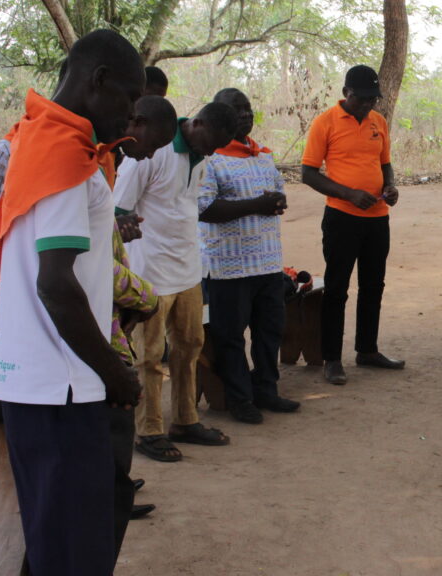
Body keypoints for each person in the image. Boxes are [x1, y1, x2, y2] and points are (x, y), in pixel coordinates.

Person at [0, 29, 144, 576]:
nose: (130, 116)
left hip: (37, 383)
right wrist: (113, 371)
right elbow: (55, 283)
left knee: (54, 544)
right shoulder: (66, 160)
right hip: (62, 388)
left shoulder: (35, 137)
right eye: (129, 97)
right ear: (98, 81)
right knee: (76, 553)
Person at [114, 102, 237, 461]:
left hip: (187, 268)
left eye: (217, 147)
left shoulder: (201, 154)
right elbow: (119, 210)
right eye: (209, 142)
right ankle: (148, 430)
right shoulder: (152, 151)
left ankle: (185, 419)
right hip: (149, 272)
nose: (211, 152)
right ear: (196, 123)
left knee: (189, 347)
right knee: (149, 356)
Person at [106, 94, 179, 553]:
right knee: (115, 414)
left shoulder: (103, 161)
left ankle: (117, 488)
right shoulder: (86, 166)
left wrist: (119, 230)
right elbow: (88, 265)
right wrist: (145, 296)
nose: (153, 154)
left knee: (112, 425)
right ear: (136, 120)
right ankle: (112, 495)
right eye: (155, 142)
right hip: (97, 327)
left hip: (109, 313)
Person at [199, 88, 299, 424]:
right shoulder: (209, 159)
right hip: (229, 266)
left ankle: (266, 389)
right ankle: (240, 398)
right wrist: (257, 204)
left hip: (268, 262)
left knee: (270, 330)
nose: (244, 115)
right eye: (236, 109)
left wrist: (276, 202)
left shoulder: (263, 155)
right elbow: (205, 208)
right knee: (230, 335)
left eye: (248, 108)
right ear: (218, 116)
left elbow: (278, 194)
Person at [301, 64, 405, 385]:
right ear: (346, 93)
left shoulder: (379, 122)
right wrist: (348, 194)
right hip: (341, 219)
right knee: (337, 288)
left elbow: (384, 163)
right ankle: (332, 358)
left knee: (374, 286)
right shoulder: (325, 123)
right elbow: (308, 173)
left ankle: (367, 350)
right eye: (361, 99)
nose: (367, 105)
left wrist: (390, 187)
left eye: (372, 99)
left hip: (377, 220)